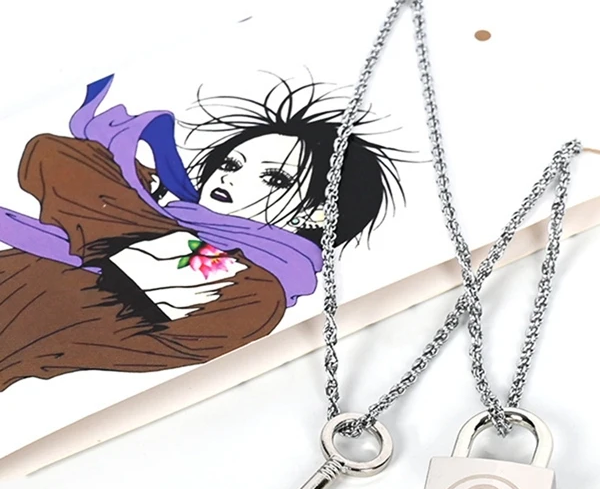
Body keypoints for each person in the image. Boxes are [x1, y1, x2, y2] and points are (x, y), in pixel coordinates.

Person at [0, 75, 403, 392]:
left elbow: (65, 169)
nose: (231, 179)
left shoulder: (257, 292)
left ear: (317, 213)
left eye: (274, 179)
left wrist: (122, 172)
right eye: (231, 164)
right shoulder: (150, 217)